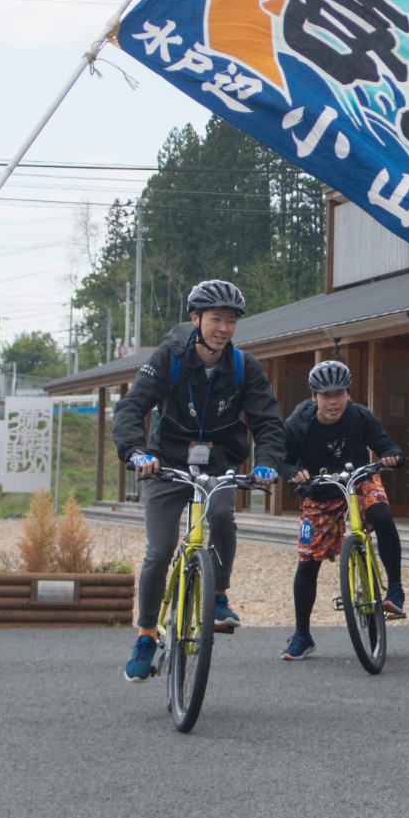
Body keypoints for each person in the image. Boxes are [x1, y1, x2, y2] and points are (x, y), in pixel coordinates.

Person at [113, 279, 283, 682]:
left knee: (222, 515)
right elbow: (132, 407)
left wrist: (267, 463)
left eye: (231, 321)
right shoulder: (169, 357)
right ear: (195, 318)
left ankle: (218, 595)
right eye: (215, 319)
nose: (223, 328)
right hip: (165, 464)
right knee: (159, 550)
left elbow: (267, 422)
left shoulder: (244, 366)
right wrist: (136, 452)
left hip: (218, 462)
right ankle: (146, 634)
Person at [276, 359, 406, 661]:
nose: (333, 402)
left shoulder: (359, 416)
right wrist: (293, 472)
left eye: (339, 394)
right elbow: (282, 459)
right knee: (308, 560)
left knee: (382, 514)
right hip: (320, 492)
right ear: (314, 397)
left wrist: (392, 455)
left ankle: (395, 589)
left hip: (359, 481)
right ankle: (302, 635)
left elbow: (386, 444)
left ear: (348, 394)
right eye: (326, 395)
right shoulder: (297, 424)